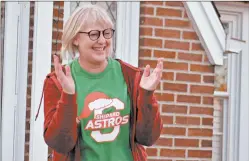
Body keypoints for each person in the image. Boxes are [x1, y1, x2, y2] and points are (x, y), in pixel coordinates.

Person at [42, 4, 163, 161]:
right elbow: (60, 143)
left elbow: (148, 138)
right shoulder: (58, 82)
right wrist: (68, 95)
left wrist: (147, 96)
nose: (102, 40)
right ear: (76, 38)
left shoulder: (131, 77)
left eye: (107, 33)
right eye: (94, 34)